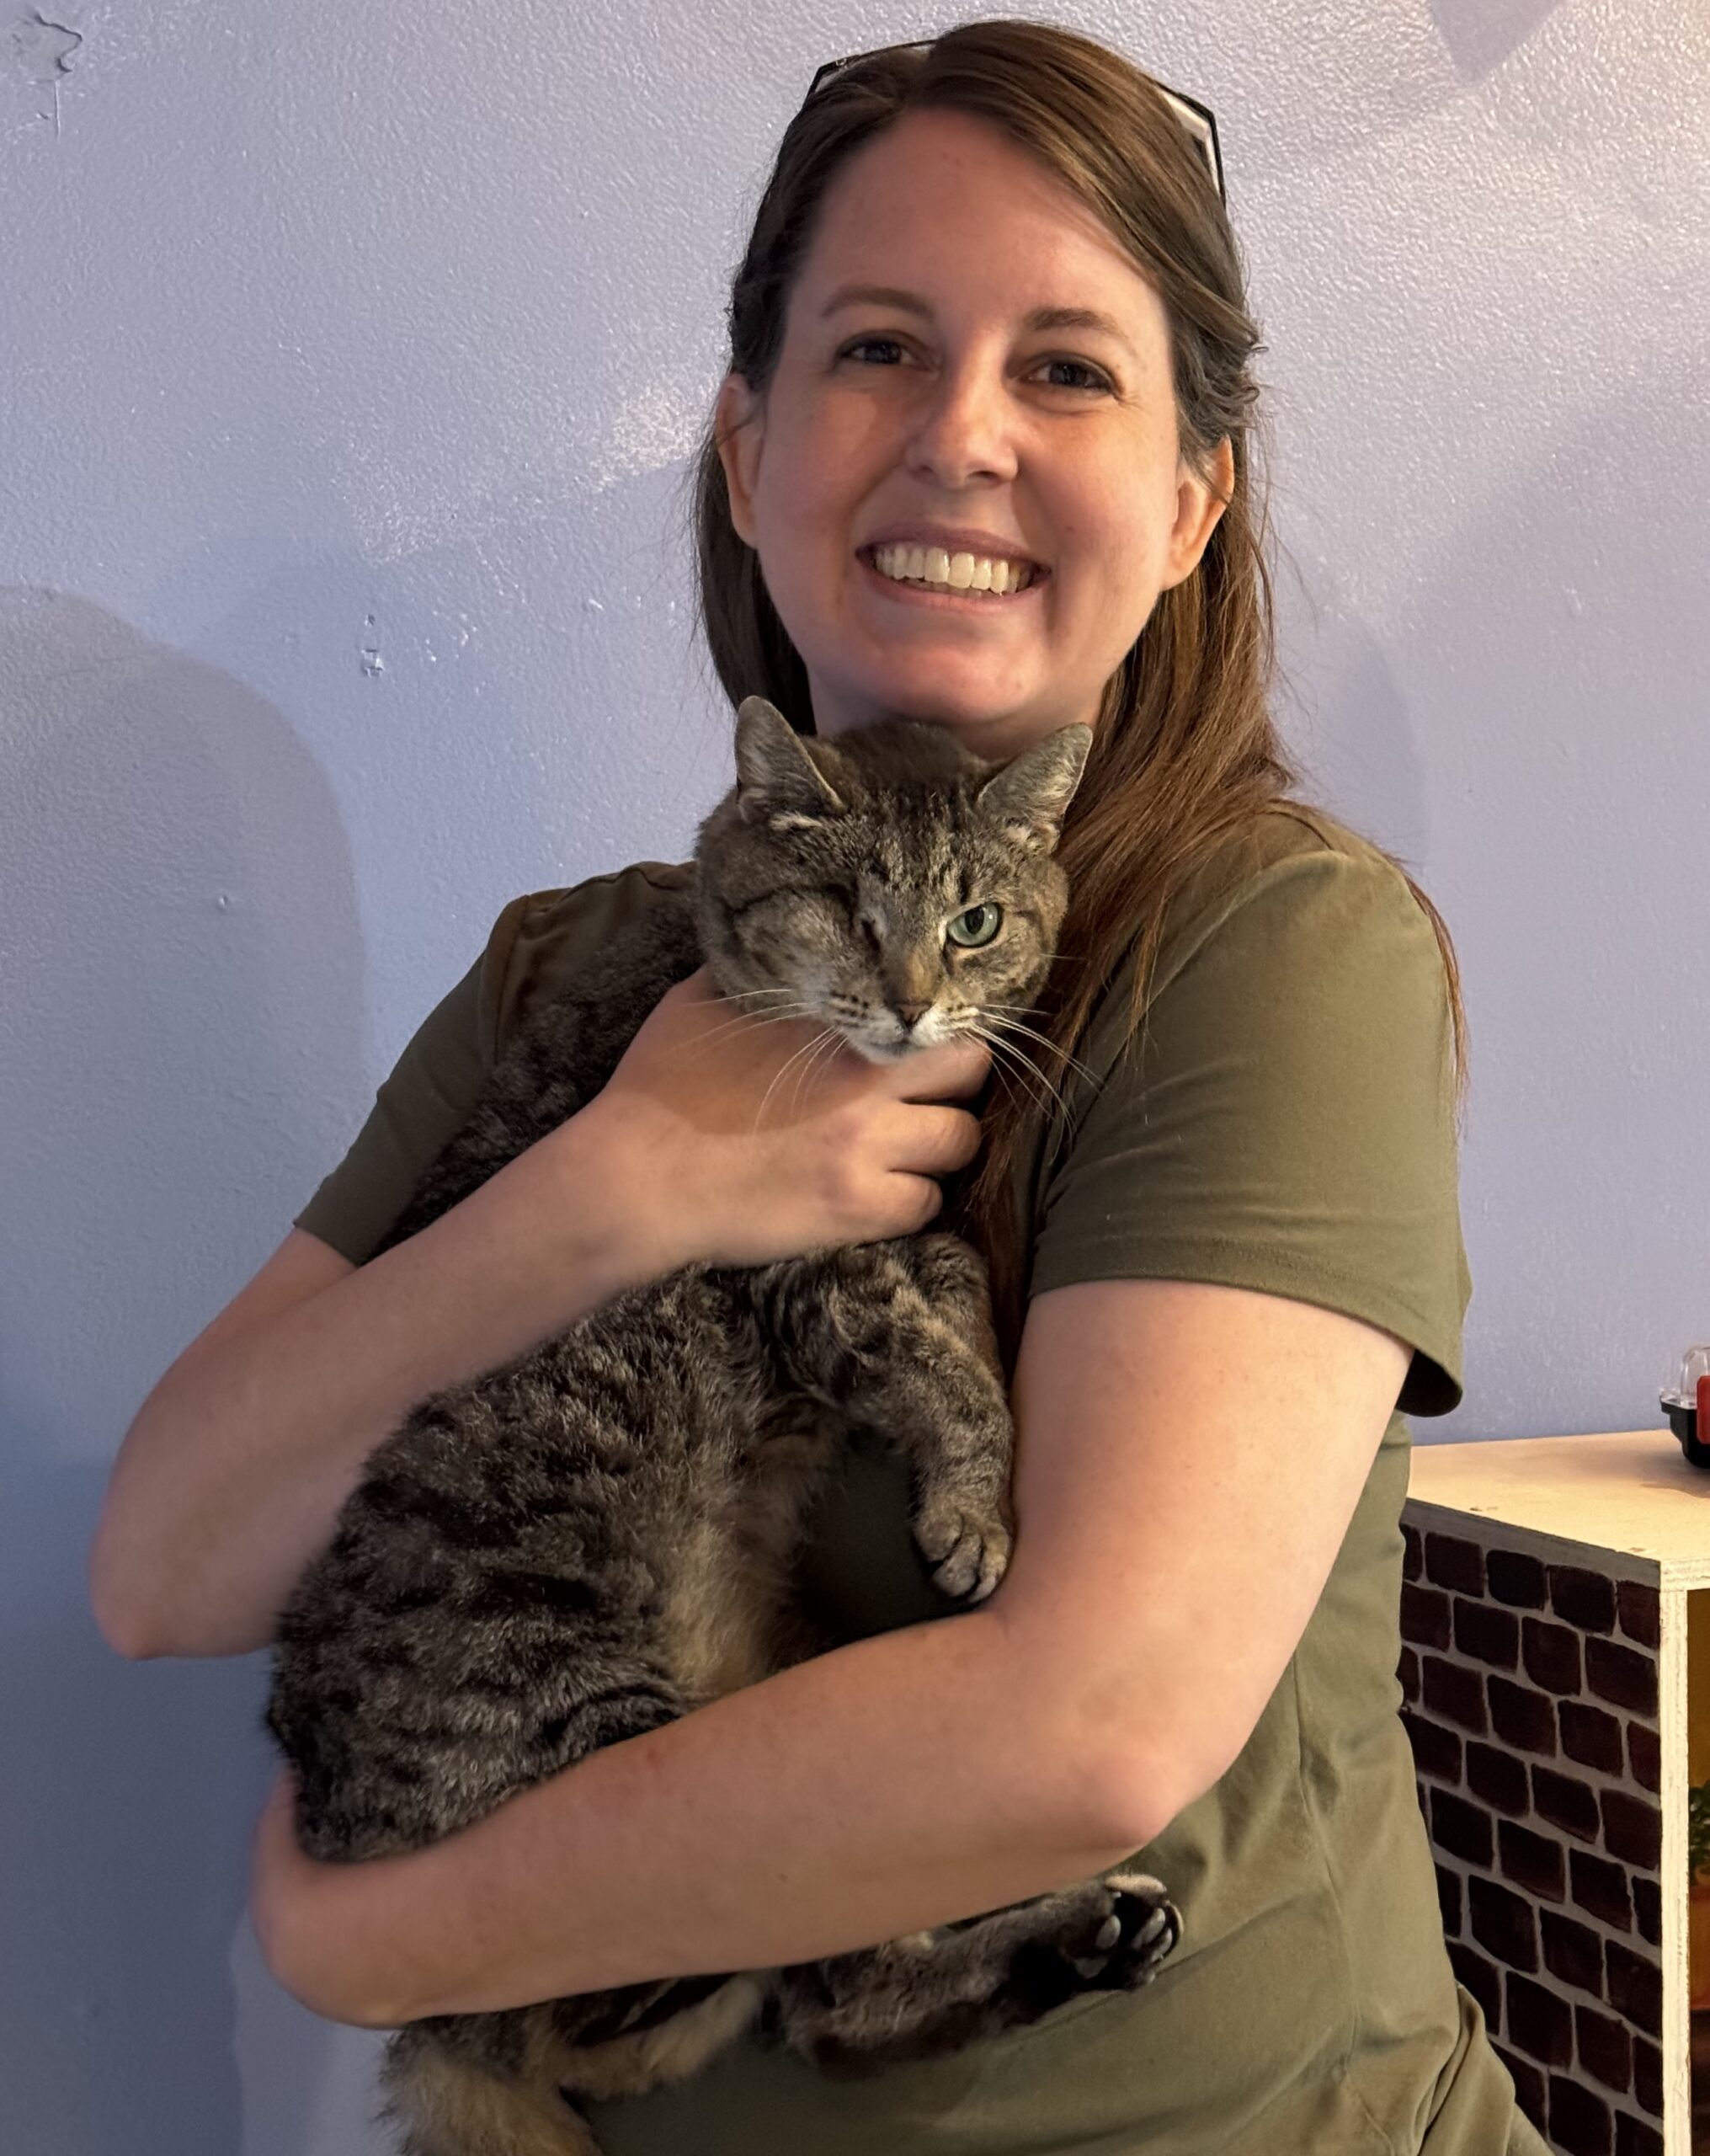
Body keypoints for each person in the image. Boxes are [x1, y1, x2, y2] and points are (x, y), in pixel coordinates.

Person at [89, 22, 1548, 2153]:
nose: (957, 437)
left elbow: (1086, 1721)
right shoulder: (568, 973)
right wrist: (625, 1184)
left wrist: (372, 1944)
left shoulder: (1265, 944)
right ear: (749, 446)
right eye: (877, 346)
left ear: (1186, 494)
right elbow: (167, 1563)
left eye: (1065, 366)